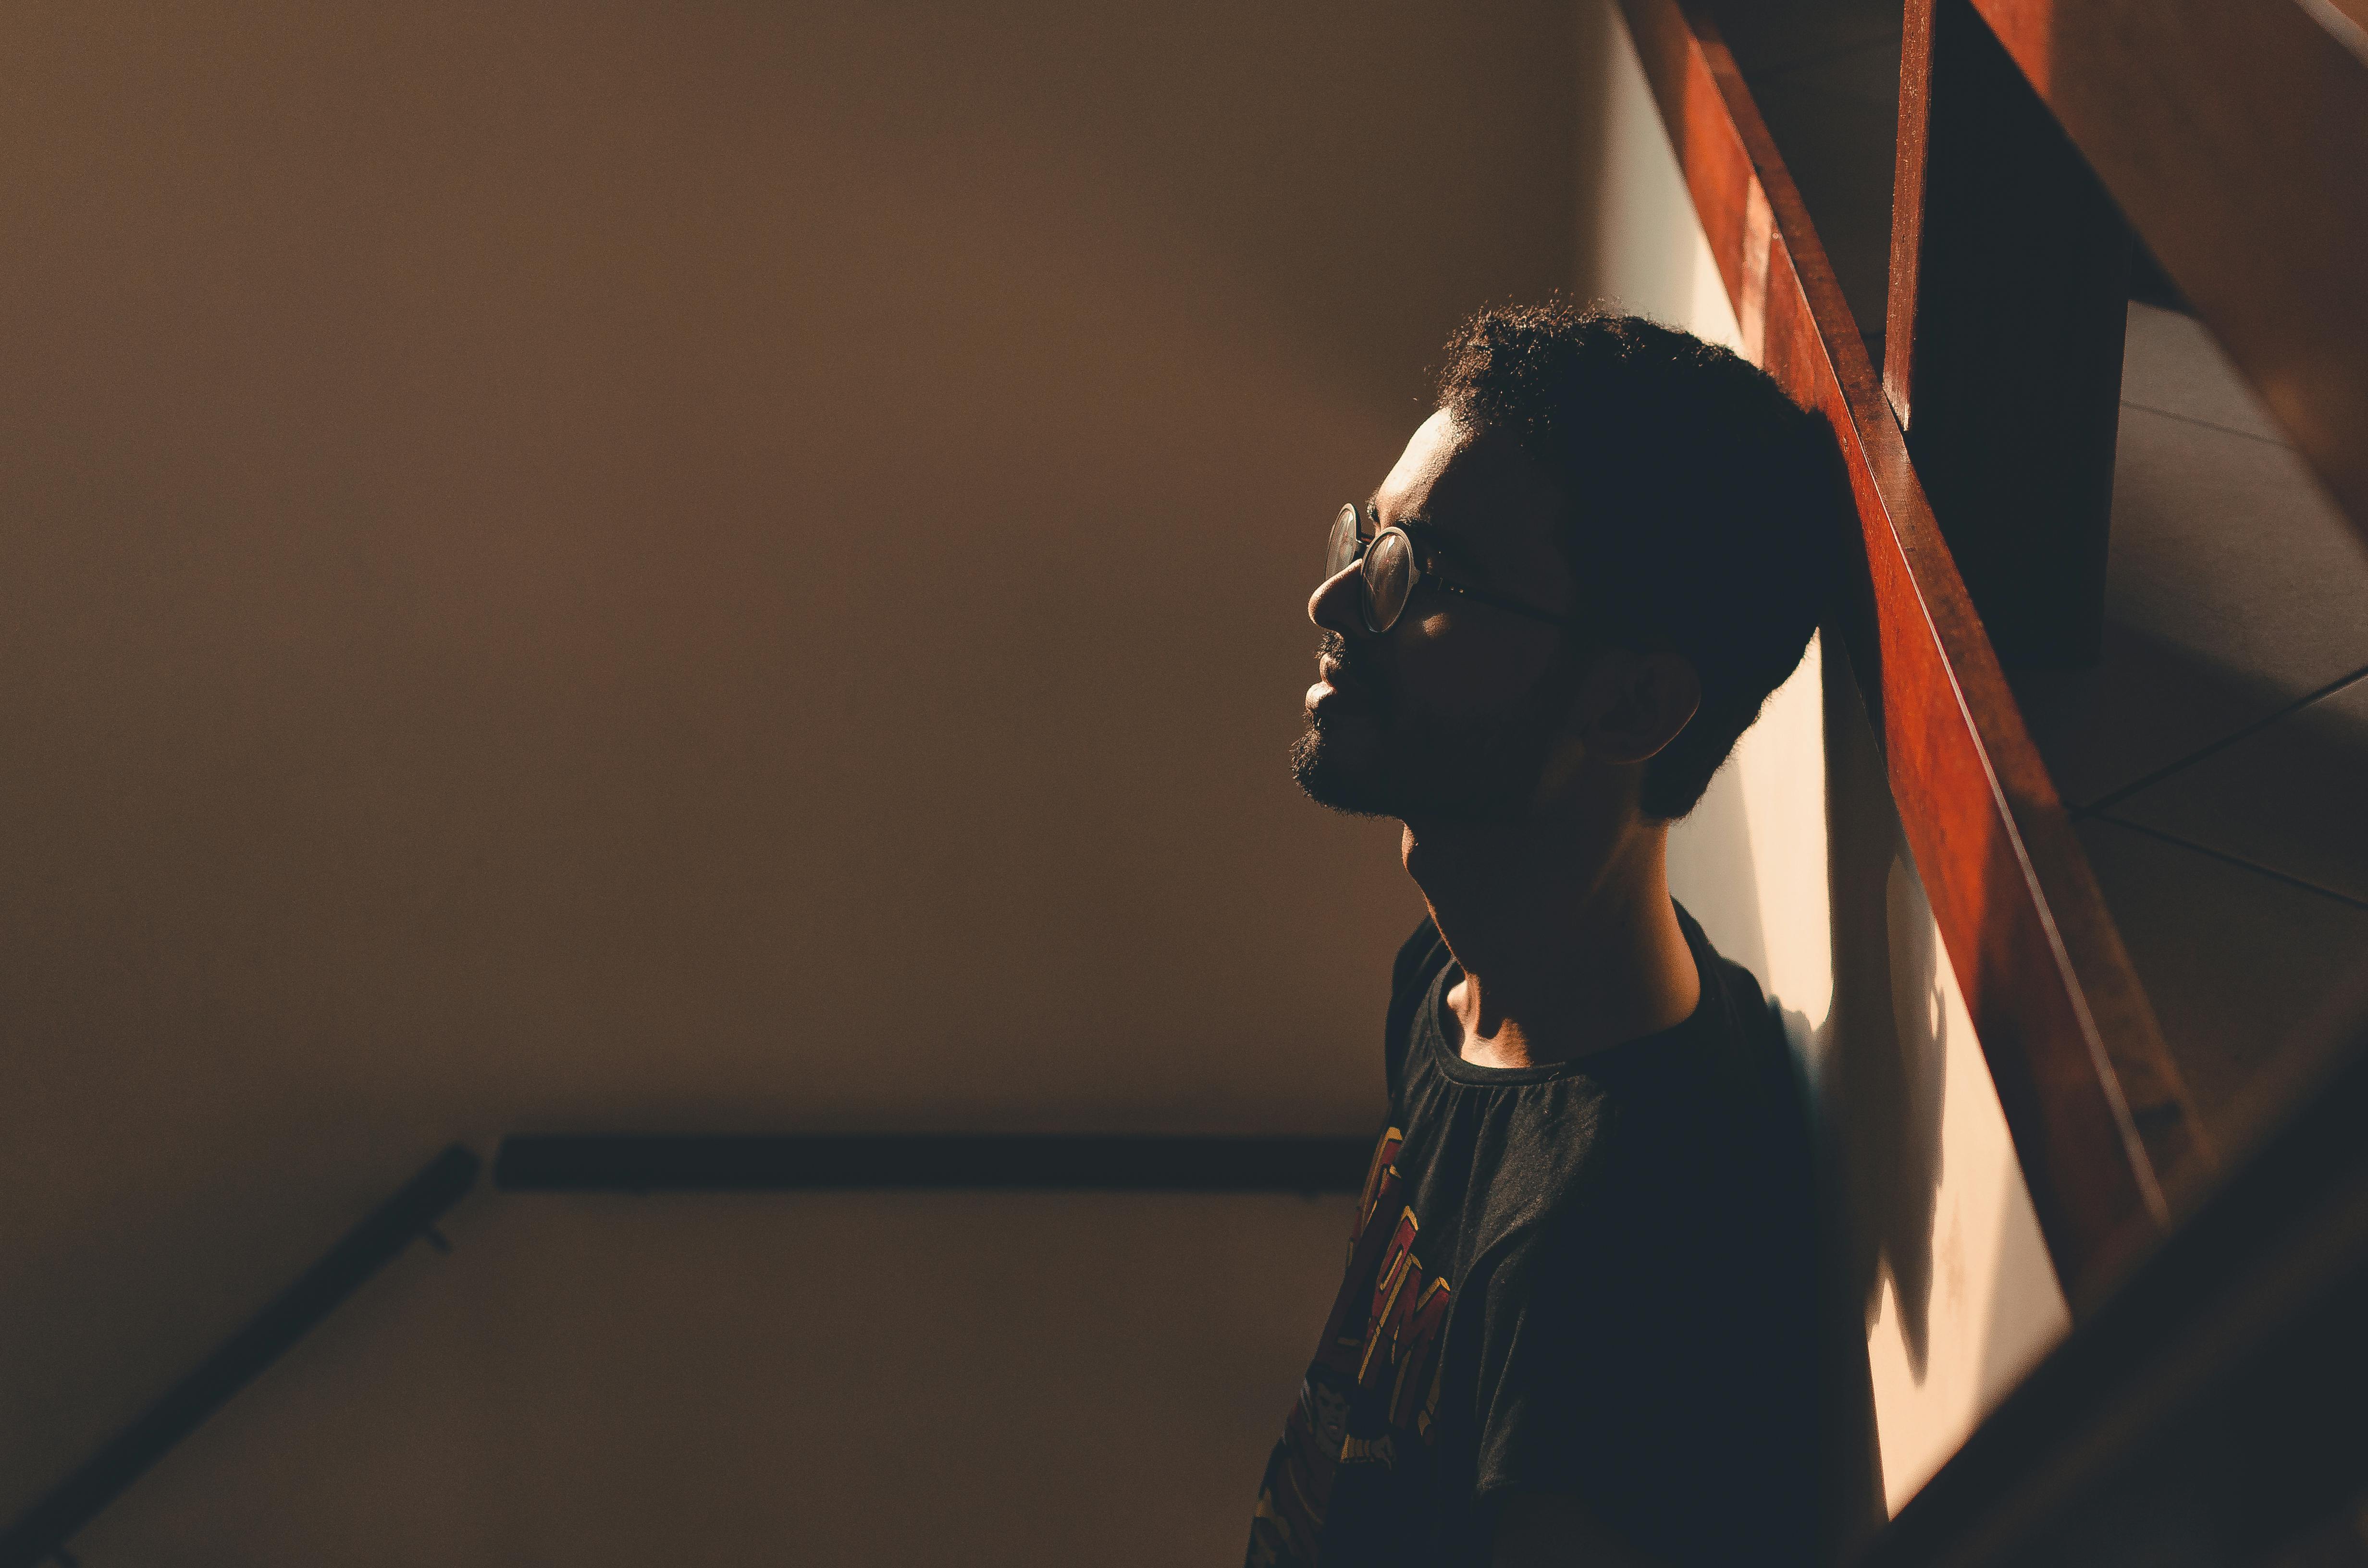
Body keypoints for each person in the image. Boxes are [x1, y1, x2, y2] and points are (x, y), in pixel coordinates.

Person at [1247, 303, 1844, 1568]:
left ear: (1633, 704)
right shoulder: (1452, 988)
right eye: (1369, 539)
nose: (1337, 595)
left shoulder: (1625, 1253)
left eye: (1430, 574)